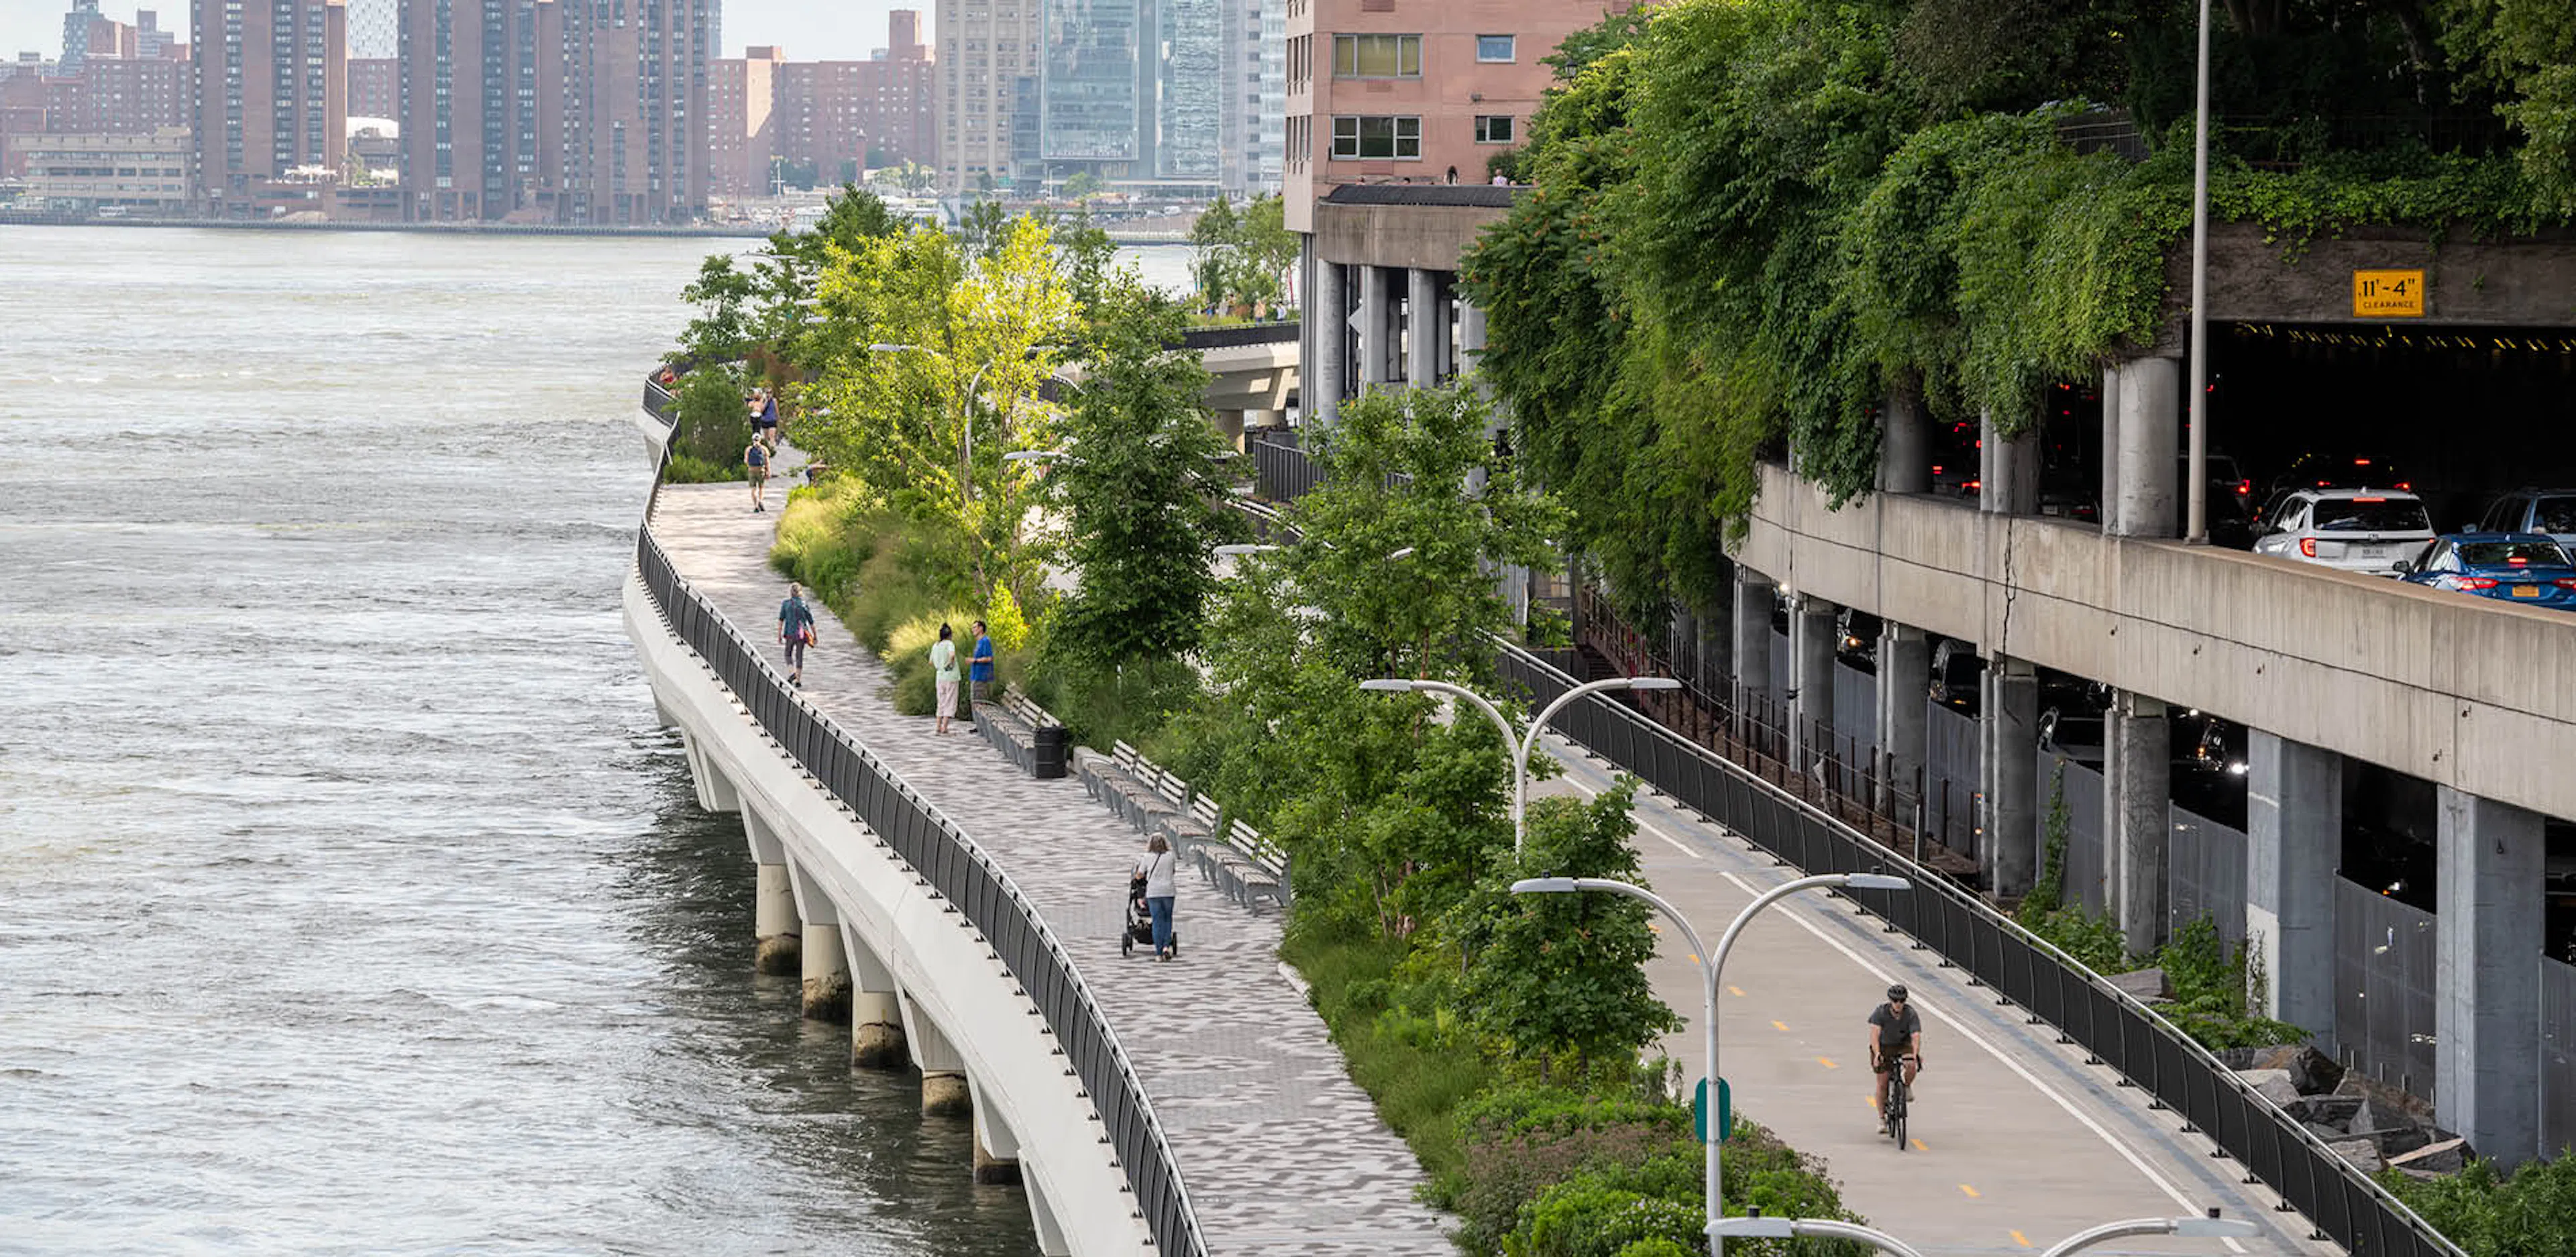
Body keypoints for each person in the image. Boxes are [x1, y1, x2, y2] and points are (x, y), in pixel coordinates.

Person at [1869, 984, 1923, 1134]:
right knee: (1883, 1082)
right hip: (1884, 1045)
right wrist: (1877, 1054)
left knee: (1911, 1064)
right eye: (1895, 1001)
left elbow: (1916, 1036)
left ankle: (1906, 1086)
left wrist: (1915, 1053)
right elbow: (1875, 1034)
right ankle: (1882, 1119)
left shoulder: (1910, 1013)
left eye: (1901, 1001)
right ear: (1890, 1001)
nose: (1898, 1004)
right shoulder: (1881, 1012)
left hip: (1902, 1044)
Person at [1135, 835, 1178, 961]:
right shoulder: (1170, 856)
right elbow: (1173, 871)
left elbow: (1140, 874)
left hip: (1154, 893)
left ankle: (1159, 953)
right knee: (1167, 920)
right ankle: (1166, 946)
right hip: (1169, 891)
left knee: (1157, 921)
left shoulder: (1147, 857)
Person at [777, 582, 816, 688]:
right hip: (801, 635)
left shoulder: (786, 604)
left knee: (788, 654)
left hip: (790, 634)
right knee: (799, 656)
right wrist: (815, 636)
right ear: (800, 593)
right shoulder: (804, 604)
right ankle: (798, 681)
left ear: (791, 593)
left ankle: (792, 673)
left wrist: (779, 635)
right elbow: (811, 622)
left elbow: (781, 620)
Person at [928, 623, 960, 736]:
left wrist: (940, 664)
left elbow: (930, 662)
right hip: (951, 676)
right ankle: (945, 727)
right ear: (950, 635)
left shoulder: (935, 645)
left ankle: (938, 726)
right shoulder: (950, 644)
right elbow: (952, 655)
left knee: (941, 701)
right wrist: (949, 664)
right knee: (950, 700)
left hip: (940, 676)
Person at [967, 618, 995, 722]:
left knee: (980, 702)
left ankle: (982, 724)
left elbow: (989, 658)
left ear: (981, 628)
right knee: (975, 701)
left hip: (981, 676)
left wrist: (975, 660)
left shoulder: (985, 641)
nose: (973, 629)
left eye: (975, 627)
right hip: (975, 675)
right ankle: (978, 724)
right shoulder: (978, 642)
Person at [744, 436, 770, 512]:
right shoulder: (764, 449)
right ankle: (760, 501)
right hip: (761, 470)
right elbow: (767, 461)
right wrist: (768, 471)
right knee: (761, 488)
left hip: (751, 470)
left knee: (753, 489)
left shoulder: (748, 449)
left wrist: (750, 466)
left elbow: (746, 461)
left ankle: (756, 506)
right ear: (760, 440)